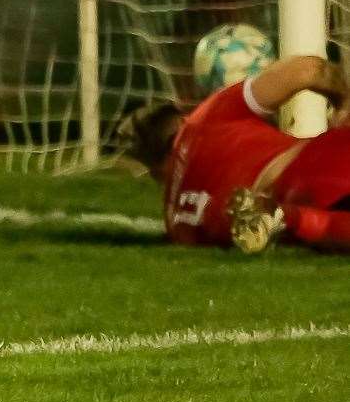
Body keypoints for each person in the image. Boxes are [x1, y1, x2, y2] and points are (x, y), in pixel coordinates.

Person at [127, 54, 350, 253]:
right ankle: (282, 215)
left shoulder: (175, 221)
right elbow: (309, 70)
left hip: (297, 199)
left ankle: (284, 216)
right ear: (181, 118)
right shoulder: (205, 117)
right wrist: (342, 102)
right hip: (319, 161)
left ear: (156, 171)